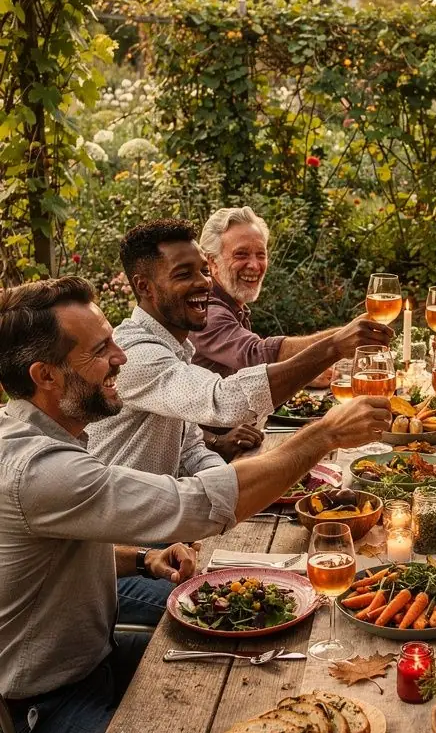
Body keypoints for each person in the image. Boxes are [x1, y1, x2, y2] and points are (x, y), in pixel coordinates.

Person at [0, 277, 390, 733]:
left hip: (93, 661)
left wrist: (142, 558)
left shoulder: (54, 435)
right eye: (100, 350)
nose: (120, 358)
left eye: (113, 341)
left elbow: (48, 556)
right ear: (44, 375)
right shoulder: (36, 469)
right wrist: (324, 434)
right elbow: (198, 504)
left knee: (244, 673)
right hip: (32, 720)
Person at [87, 219, 391, 625]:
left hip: (166, 538)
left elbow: (192, 450)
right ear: (145, 287)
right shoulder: (136, 355)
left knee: (281, 586)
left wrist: (239, 493)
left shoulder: (174, 346)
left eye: (202, 270)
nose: (203, 282)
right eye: (184, 274)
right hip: (115, 560)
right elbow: (224, 402)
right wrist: (331, 347)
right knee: (248, 613)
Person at [192, 205, 352, 378]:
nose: (254, 265)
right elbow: (255, 354)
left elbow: (246, 374)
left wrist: (301, 374)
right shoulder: (206, 312)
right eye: (241, 254)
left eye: (261, 255)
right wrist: (340, 339)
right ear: (212, 262)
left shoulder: (229, 305)